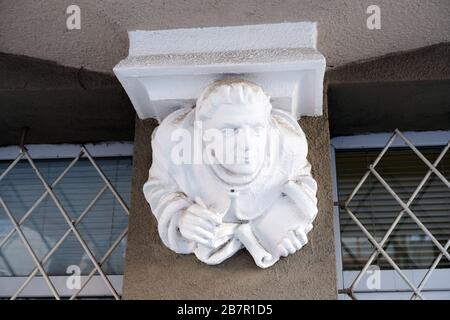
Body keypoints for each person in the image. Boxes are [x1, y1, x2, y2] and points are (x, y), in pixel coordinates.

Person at [143, 78, 318, 268]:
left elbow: (302, 184)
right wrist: (180, 216)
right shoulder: (174, 143)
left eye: (257, 129)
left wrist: (289, 224)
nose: (246, 145)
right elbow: (160, 186)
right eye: (229, 131)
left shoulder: (289, 146)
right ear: (202, 132)